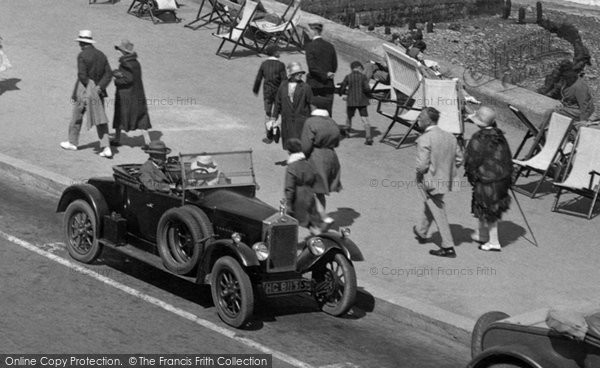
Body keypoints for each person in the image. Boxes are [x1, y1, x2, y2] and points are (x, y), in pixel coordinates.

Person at [413, 107, 463, 258]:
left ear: (428, 120)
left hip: (430, 180)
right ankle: (421, 231)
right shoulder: (450, 137)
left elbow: (422, 165)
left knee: (438, 210)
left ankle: (448, 246)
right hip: (445, 179)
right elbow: (459, 159)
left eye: (421, 117)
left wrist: (419, 174)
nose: (418, 119)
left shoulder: (425, 139)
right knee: (432, 203)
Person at [464, 107, 513, 252]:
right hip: (502, 178)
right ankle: (482, 234)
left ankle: (494, 241)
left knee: (489, 210)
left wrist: (472, 176)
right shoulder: (499, 135)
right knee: (485, 207)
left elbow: (471, 160)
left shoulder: (479, 138)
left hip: (487, 179)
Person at [60, 30, 113, 158]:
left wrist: (91, 87)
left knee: (77, 116)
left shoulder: (82, 55)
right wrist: (99, 87)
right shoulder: (101, 55)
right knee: (100, 119)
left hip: (84, 90)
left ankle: (73, 142)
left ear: (82, 43)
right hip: (99, 91)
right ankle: (106, 147)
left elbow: (82, 75)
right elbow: (108, 74)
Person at [301, 96, 342, 227]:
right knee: (320, 191)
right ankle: (320, 215)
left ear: (315, 107)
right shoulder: (332, 122)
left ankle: (317, 217)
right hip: (331, 157)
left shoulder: (311, 122)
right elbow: (337, 142)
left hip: (316, 158)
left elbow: (306, 145)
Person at [111, 39, 151, 148]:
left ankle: (117, 139)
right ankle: (148, 142)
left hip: (126, 97)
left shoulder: (125, 63)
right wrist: (120, 74)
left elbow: (127, 80)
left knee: (120, 116)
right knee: (141, 119)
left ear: (124, 51)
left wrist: (116, 79)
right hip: (137, 95)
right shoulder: (135, 62)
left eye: (120, 50)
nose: (118, 51)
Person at [271, 62, 313, 150]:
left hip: (301, 120)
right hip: (287, 120)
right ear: (291, 74)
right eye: (297, 73)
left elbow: (311, 104)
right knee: (289, 143)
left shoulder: (305, 87)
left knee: (301, 143)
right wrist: (274, 117)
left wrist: (313, 119)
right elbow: (278, 102)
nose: (300, 75)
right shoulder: (283, 85)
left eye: (300, 73)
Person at [284, 138, 323, 233]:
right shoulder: (308, 163)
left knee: (290, 222)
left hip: (298, 197)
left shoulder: (292, 166)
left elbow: (289, 187)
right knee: (311, 220)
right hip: (309, 194)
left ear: (289, 151)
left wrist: (288, 203)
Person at [252, 45, 287, 143]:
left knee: (268, 113)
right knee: (279, 112)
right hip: (278, 93)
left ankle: (269, 135)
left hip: (267, 93)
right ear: (275, 53)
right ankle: (277, 130)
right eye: (278, 51)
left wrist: (255, 89)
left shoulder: (264, 64)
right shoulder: (281, 65)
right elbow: (284, 80)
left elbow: (259, 78)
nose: (280, 52)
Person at [305, 22, 338, 117]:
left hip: (314, 85)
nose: (307, 33)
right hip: (328, 84)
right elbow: (334, 66)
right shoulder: (330, 46)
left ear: (314, 31)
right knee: (327, 112)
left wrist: (324, 74)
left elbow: (312, 67)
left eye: (309, 31)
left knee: (313, 112)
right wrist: (328, 74)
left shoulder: (310, 46)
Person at [338, 60, 373, 145]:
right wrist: (369, 95)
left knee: (349, 116)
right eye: (362, 69)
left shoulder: (348, 76)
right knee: (364, 118)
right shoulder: (363, 77)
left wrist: (340, 92)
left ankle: (347, 130)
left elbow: (343, 86)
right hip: (362, 101)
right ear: (359, 68)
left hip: (351, 100)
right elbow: (367, 88)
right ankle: (368, 136)